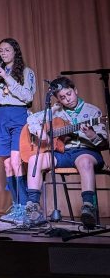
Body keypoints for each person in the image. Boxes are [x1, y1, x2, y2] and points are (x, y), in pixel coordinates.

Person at [24, 76, 107, 228]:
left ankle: (88, 207)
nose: (67, 99)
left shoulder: (93, 111)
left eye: (69, 94)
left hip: (86, 152)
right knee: (35, 160)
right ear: (58, 99)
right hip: (64, 153)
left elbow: (104, 143)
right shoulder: (56, 111)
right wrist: (39, 132)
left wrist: (91, 135)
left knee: (84, 161)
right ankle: (33, 207)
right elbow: (31, 120)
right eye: (62, 97)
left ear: (75, 91)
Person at [0, 38, 36, 223]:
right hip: (1, 116)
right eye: (1, 50)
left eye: (7, 50)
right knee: (7, 165)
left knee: (15, 161)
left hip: (18, 116)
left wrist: (7, 77)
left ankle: (25, 205)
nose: (3, 53)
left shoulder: (26, 72)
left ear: (15, 52)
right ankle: (16, 205)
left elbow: (27, 96)